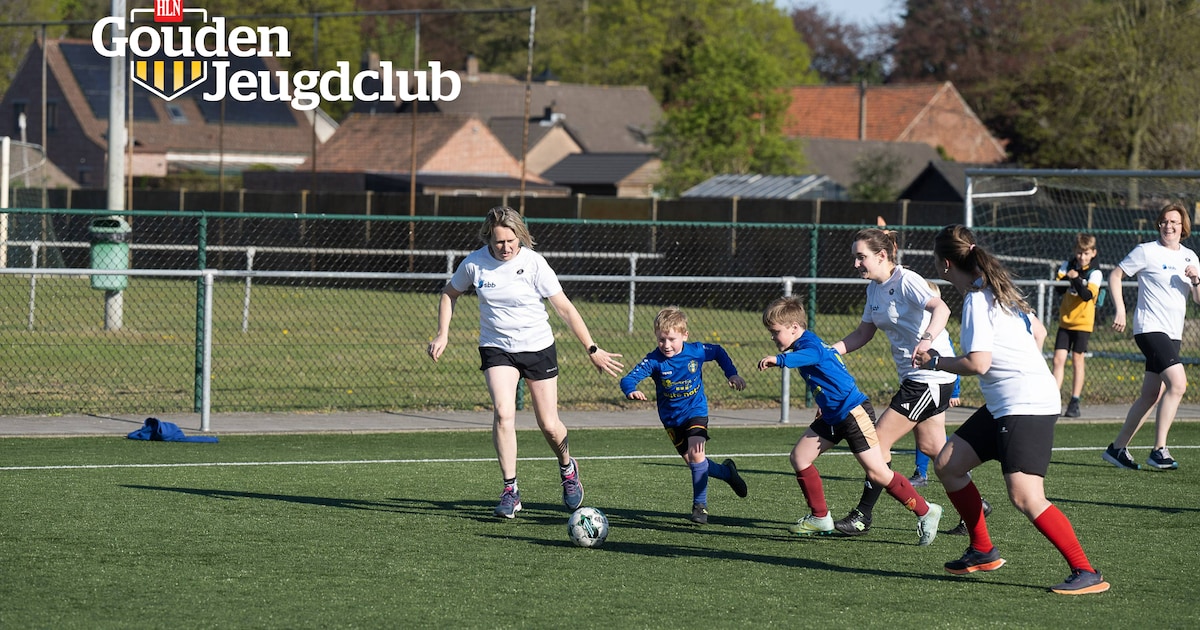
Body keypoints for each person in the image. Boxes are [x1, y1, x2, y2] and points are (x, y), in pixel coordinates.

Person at [915, 224, 1109, 595]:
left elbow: (979, 364)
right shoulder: (999, 291)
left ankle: (1086, 571)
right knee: (948, 465)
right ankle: (982, 550)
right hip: (1011, 401)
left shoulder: (976, 298)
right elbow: (1037, 333)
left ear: (943, 264)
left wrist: (935, 360)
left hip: (1026, 404)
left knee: (1025, 495)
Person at [428, 206, 624, 519]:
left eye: (511, 241)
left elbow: (565, 309)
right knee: (504, 414)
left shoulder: (534, 263)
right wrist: (443, 334)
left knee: (548, 423)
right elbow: (449, 294)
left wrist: (592, 349)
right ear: (488, 239)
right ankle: (510, 490)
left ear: (521, 236)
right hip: (497, 349)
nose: (505, 248)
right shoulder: (475, 263)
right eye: (498, 242)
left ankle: (567, 468)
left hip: (537, 348)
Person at [757, 296, 944, 546]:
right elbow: (827, 376)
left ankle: (926, 511)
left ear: (793, 327)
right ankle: (820, 517)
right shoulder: (802, 345)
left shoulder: (809, 344)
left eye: (775, 332)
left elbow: (813, 356)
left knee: (878, 472)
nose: (773, 337)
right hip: (832, 414)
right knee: (800, 457)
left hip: (852, 412)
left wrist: (778, 360)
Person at [827, 228, 975, 538]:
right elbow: (862, 334)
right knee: (933, 447)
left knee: (876, 445)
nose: (856, 264)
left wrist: (926, 340)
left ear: (882, 256)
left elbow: (942, 308)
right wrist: (830, 352)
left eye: (861, 257)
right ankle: (976, 506)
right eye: (855, 257)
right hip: (917, 378)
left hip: (929, 376)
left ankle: (862, 516)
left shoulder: (907, 280)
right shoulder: (874, 290)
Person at [620, 307, 749, 525]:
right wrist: (631, 389)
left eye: (672, 339)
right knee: (694, 463)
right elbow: (627, 379)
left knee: (697, 455)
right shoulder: (654, 361)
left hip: (696, 411)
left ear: (684, 335)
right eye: (662, 339)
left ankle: (700, 506)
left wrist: (732, 373)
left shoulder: (696, 351)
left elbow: (717, 351)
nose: (666, 345)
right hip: (671, 419)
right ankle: (727, 473)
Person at [1103, 203, 1200, 471]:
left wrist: (1196, 281)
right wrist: (1121, 310)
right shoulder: (1146, 251)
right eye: (1164, 222)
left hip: (1173, 333)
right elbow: (1116, 275)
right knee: (1178, 384)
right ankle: (1159, 450)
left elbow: (1198, 299)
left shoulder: (1191, 257)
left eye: (1175, 223)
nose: (1169, 226)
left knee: (1150, 394)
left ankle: (1117, 448)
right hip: (1149, 328)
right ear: (1159, 224)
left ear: (1183, 228)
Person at [1052, 234, 1103, 418]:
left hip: (1083, 323)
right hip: (1066, 321)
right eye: (1079, 252)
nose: (1082, 257)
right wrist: (1069, 276)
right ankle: (1054, 400)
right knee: (1058, 360)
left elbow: (1087, 295)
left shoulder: (1095, 273)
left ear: (1093, 253)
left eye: (1086, 253)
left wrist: (1074, 279)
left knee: (1077, 360)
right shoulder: (1068, 265)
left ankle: (1074, 401)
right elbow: (1057, 288)